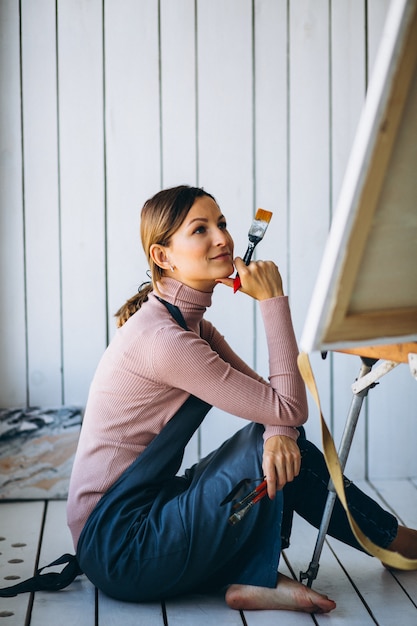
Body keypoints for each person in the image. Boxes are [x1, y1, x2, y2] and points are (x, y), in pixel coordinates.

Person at [66, 185, 417, 615]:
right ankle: (401, 544)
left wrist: (278, 432)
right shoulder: (165, 340)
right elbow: (287, 407)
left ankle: (256, 576)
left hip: (143, 515)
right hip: (120, 547)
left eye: (223, 224)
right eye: (200, 229)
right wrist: (272, 300)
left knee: (275, 442)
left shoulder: (191, 328)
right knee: (270, 444)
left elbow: (275, 406)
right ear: (163, 257)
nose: (222, 238)